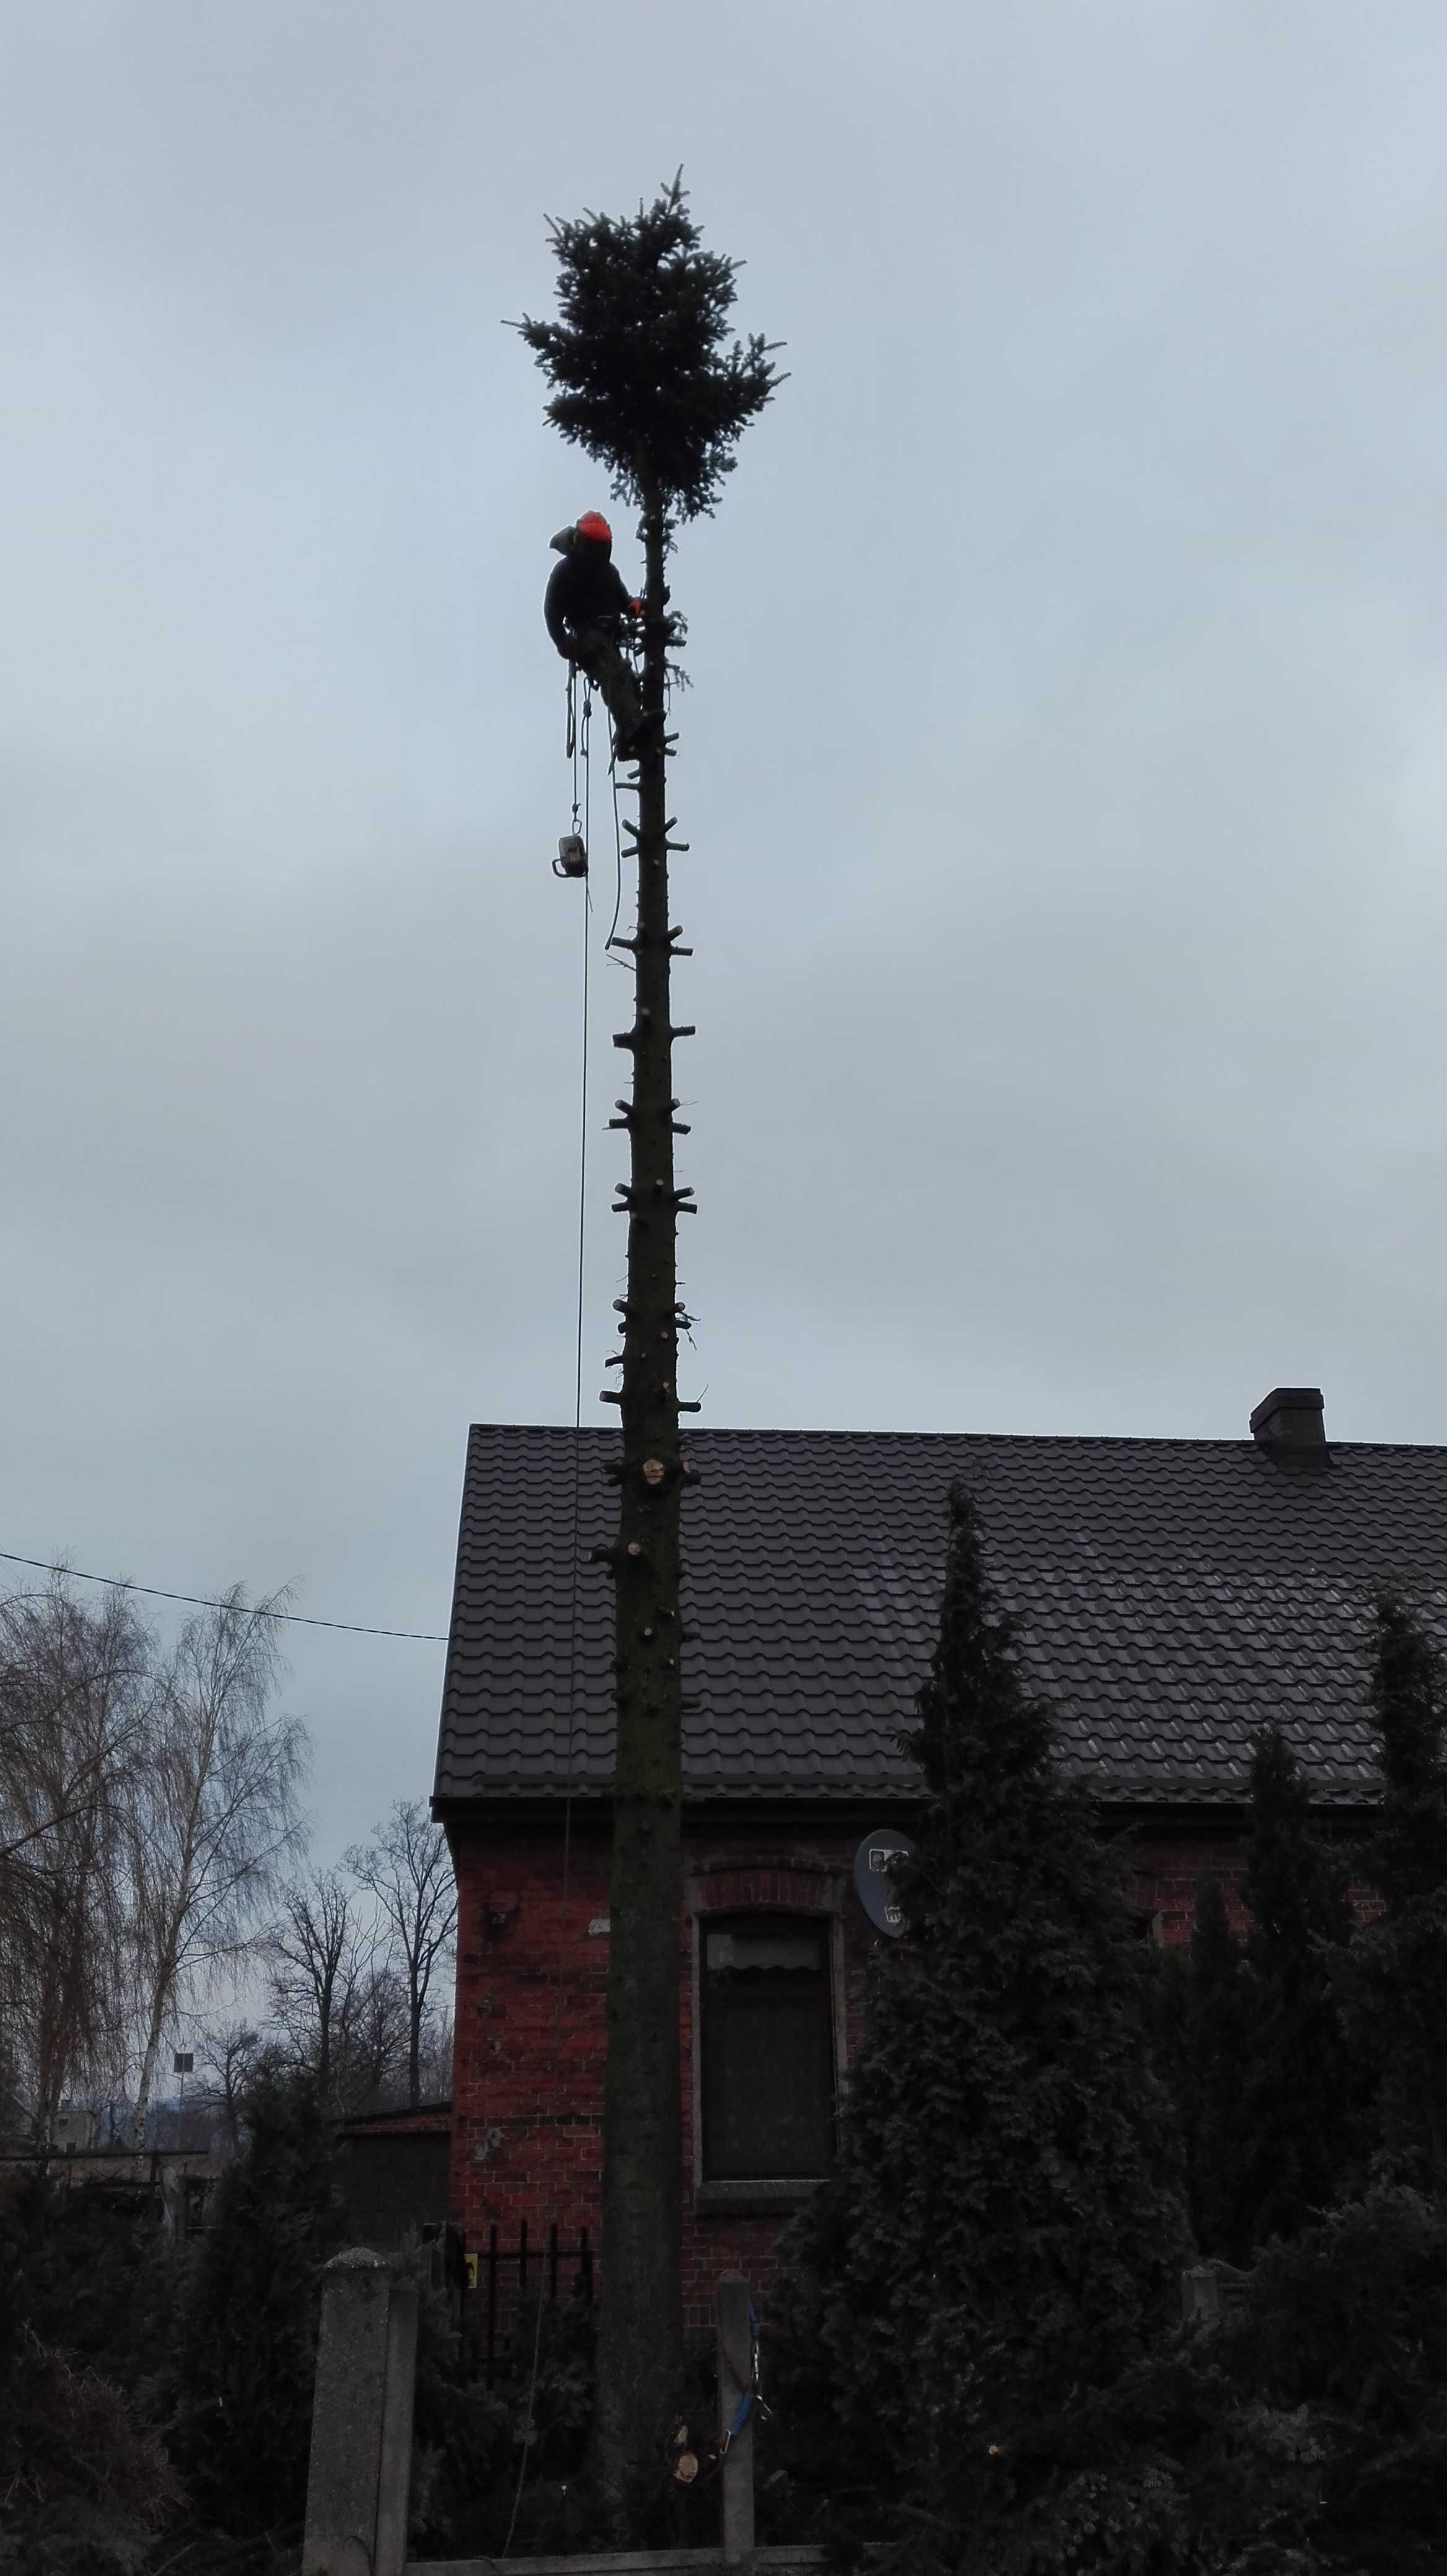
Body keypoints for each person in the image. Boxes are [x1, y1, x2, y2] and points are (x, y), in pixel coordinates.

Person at [544, 512, 654, 760]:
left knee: (627, 681)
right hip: (586, 637)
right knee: (612, 674)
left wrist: (635, 606)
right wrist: (562, 642)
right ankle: (633, 728)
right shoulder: (565, 573)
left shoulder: (608, 573)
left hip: (608, 636)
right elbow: (551, 612)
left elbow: (623, 601)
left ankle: (627, 740)